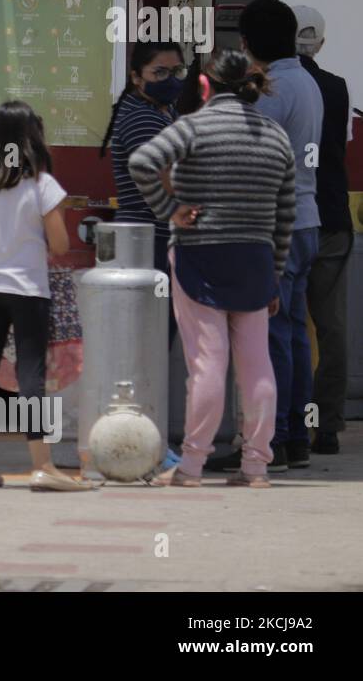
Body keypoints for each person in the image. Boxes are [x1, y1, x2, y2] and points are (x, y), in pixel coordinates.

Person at [129, 50, 295, 488]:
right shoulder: (276, 137)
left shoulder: (192, 127)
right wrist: (275, 274)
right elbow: (285, 215)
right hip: (256, 261)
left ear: (205, 86)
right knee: (257, 366)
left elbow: (142, 162)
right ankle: (257, 466)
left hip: (201, 257)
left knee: (207, 365)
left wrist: (171, 208)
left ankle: (192, 467)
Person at [0, 100, 92, 492]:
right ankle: (42, 465)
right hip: (30, 291)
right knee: (32, 374)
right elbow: (60, 245)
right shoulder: (42, 186)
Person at [242, 0, 324, 472]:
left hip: (276, 224)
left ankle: (268, 439)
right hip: (307, 218)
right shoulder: (308, 82)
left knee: (268, 334)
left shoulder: (271, 89)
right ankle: (295, 436)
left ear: (248, 43)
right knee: (292, 332)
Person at [292, 5, 353, 455]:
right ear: (323, 43)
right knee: (329, 325)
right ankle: (327, 425)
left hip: (290, 219)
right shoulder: (336, 88)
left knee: (287, 324)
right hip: (332, 216)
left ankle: (287, 423)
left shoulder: (274, 86)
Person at [100, 40, 186, 340]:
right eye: (159, 72)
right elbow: (170, 180)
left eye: (177, 71)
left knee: (156, 334)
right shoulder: (142, 117)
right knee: (149, 337)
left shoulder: (164, 111)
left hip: (157, 239)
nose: (171, 80)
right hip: (147, 244)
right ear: (137, 77)